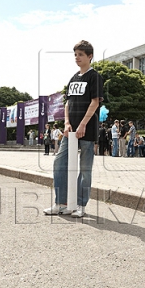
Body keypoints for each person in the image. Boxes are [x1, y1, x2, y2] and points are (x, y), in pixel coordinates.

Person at [44, 40, 103, 218]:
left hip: (87, 130)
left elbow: (95, 101)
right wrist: (67, 122)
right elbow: (68, 102)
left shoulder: (95, 77)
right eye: (75, 54)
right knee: (59, 163)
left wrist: (83, 123)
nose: (77, 58)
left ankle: (80, 204)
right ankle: (60, 203)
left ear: (90, 56)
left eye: (81, 54)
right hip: (70, 131)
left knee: (85, 169)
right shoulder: (73, 78)